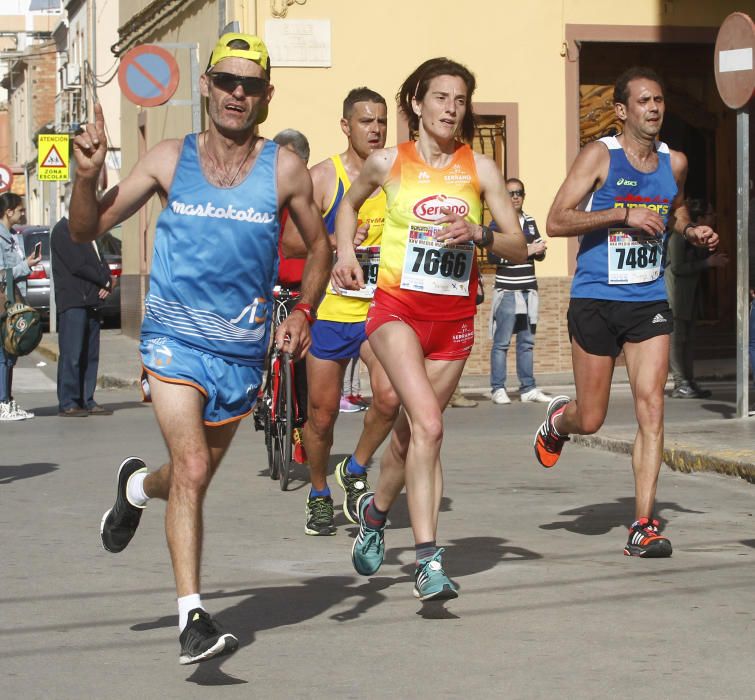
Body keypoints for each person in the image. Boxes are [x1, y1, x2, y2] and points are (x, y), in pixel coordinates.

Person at [69, 33, 331, 664]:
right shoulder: (167, 158)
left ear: (267, 98)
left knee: (190, 475)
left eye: (250, 85)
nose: (236, 94)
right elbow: (87, 226)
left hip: (239, 357)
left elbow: (319, 249)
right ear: (208, 87)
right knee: (191, 470)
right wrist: (85, 177)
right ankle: (193, 618)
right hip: (172, 345)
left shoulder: (284, 169)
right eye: (226, 82)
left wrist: (304, 310)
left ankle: (135, 488)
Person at [333, 57, 526, 601]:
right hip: (396, 312)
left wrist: (479, 232)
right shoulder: (387, 162)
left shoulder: (480, 169)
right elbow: (346, 209)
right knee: (431, 429)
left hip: (454, 323)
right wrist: (345, 250)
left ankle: (374, 513)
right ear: (417, 103)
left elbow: (518, 242)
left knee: (411, 438)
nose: (451, 108)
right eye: (441, 97)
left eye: (460, 99)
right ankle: (428, 561)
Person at [533, 67, 719, 558]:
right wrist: (621, 214)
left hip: (648, 300)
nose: (654, 108)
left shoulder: (673, 161)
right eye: (643, 101)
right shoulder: (599, 155)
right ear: (622, 110)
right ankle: (560, 421)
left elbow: (672, 207)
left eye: (659, 100)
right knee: (591, 418)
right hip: (596, 298)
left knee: (651, 406)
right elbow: (555, 220)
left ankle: (642, 524)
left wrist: (689, 230)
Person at [296, 87, 400, 536]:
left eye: (381, 122)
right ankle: (319, 492)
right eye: (365, 122)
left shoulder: (399, 174)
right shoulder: (322, 177)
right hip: (331, 311)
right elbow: (288, 244)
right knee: (321, 417)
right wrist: (337, 243)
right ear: (346, 126)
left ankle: (355, 468)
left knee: (390, 397)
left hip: (381, 309)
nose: (375, 130)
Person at [488, 178, 552, 405]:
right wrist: (527, 250)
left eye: (519, 193)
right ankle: (498, 388)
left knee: (526, 343)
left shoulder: (531, 221)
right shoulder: (498, 223)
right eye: (511, 193)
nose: (515, 197)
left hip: (529, 289)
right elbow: (493, 256)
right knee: (502, 342)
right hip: (507, 290)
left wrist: (540, 250)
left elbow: (539, 253)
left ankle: (528, 388)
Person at [273, 128, 312, 463]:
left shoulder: (312, 193)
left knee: (302, 363)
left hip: (304, 287)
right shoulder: (266, 194)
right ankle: (261, 393)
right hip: (270, 284)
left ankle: (301, 427)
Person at [50, 216, 116, 417]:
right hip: (74, 301)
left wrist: (107, 281)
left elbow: (100, 261)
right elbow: (78, 265)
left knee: (90, 354)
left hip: (92, 300)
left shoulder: (88, 231)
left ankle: (87, 399)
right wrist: (103, 280)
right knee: (73, 353)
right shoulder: (63, 230)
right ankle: (69, 401)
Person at [665, 199, 728, 398]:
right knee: (677, 341)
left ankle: (690, 381)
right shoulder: (678, 237)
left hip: (690, 297)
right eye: (710, 214)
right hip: (677, 296)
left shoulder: (699, 239)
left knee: (690, 340)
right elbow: (677, 267)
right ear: (699, 218)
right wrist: (708, 263)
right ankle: (679, 382)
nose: (714, 218)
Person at [0, 193, 39, 421]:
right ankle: (3, 402)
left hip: (15, 301)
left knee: (12, 352)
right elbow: (3, 274)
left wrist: (27, 263)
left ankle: (8, 400)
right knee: (4, 353)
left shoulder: (14, 236)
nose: (23, 213)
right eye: (20, 210)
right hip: (5, 302)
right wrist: (26, 265)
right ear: (9, 212)